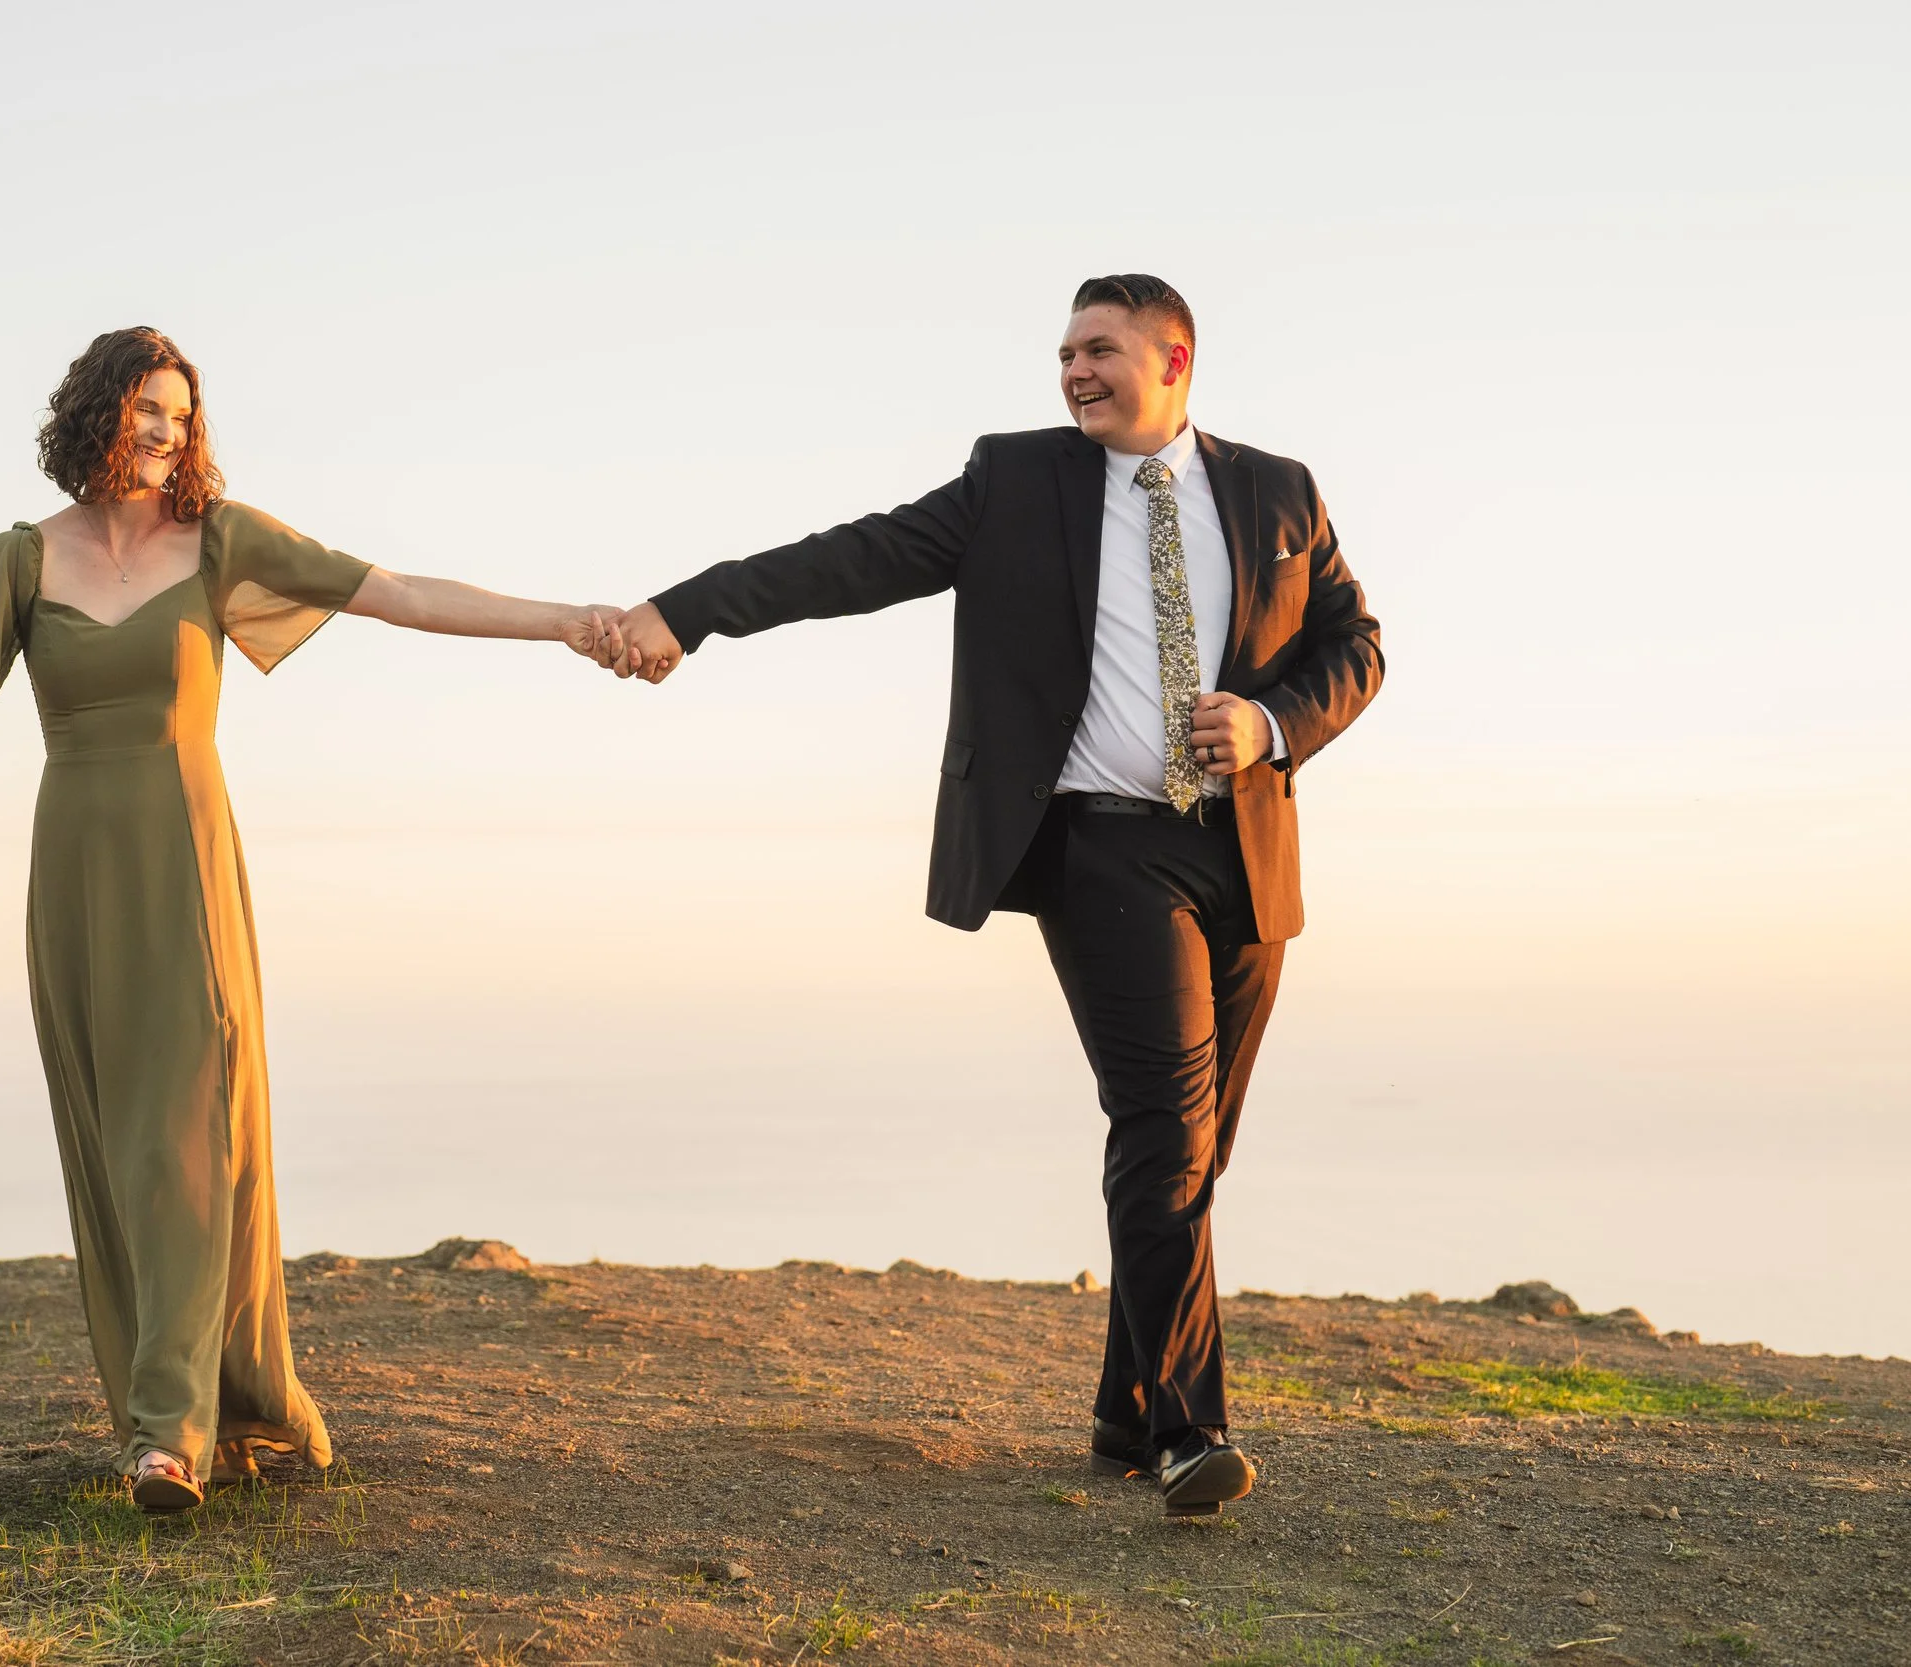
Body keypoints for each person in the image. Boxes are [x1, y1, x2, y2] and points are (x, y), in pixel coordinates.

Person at [593, 276, 1384, 1518]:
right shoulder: (1014, 481)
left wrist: (1273, 720)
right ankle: (1188, 1431)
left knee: (1195, 1150)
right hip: (1100, 850)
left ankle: (1125, 1412)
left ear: (1172, 357)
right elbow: (849, 558)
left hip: (1240, 858)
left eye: (1098, 349)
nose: (1072, 369)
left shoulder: (1279, 490)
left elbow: (1356, 643)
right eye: (1063, 351)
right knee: (1164, 1131)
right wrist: (684, 612)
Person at [0, 326, 619, 1512]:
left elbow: (396, 594)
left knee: (189, 1133)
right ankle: (216, 1395)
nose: (164, 431)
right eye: (145, 408)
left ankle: (169, 1435)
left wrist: (567, 618)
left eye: (181, 414)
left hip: (188, 862)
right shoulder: (18, 561)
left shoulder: (222, 542)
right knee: (115, 1140)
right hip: (77, 875)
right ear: (96, 414)